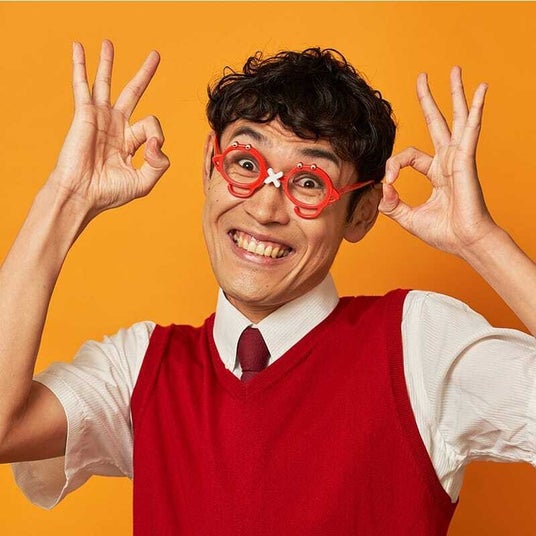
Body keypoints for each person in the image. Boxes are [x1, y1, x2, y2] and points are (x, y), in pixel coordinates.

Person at [0, 40, 535, 534]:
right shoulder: (142, 369)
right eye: (245, 164)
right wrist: (66, 197)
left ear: (362, 213)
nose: (264, 209)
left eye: (309, 182)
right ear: (209, 169)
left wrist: (481, 241)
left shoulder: (418, 346)